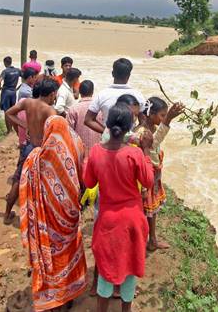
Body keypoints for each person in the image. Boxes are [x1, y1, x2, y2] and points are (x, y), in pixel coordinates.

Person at [84, 104, 154, 312]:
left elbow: (89, 182)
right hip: (132, 220)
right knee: (130, 269)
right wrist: (146, 150)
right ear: (129, 128)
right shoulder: (134, 154)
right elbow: (148, 181)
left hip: (107, 221)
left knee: (106, 269)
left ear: (107, 124)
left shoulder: (96, 152)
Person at [19, 115, 87, 310]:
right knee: (69, 250)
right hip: (70, 214)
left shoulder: (36, 157)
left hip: (46, 218)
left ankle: (53, 298)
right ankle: (69, 293)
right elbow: (82, 175)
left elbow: (26, 186)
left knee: (50, 252)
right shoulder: (76, 145)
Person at [3, 79, 59, 224]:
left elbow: (9, 113)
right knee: (43, 183)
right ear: (52, 94)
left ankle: (7, 213)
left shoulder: (28, 102)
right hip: (42, 150)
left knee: (18, 179)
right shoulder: (50, 111)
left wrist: (25, 125)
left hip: (28, 147)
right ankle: (42, 217)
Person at [134, 97, 184, 251]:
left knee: (151, 211)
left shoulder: (151, 127)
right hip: (146, 177)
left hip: (153, 174)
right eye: (162, 115)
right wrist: (168, 120)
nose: (163, 118)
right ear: (151, 114)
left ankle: (152, 239)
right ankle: (146, 241)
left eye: (164, 115)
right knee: (146, 211)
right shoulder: (142, 132)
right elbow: (152, 144)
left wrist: (167, 119)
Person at [84, 58, 145, 135]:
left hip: (108, 140)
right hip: (131, 141)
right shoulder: (138, 95)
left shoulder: (102, 94)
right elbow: (143, 121)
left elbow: (88, 120)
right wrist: (131, 134)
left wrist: (107, 133)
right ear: (129, 75)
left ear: (112, 73)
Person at [66, 80, 101, 155]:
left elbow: (68, 132)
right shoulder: (99, 109)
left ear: (80, 92)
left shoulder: (73, 109)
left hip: (78, 151)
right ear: (92, 92)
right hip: (97, 152)